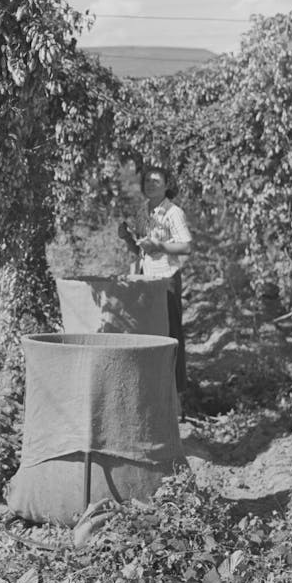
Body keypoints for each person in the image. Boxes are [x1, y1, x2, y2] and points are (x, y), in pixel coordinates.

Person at [118, 164, 192, 403]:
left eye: (156, 181)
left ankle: (175, 394)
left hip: (166, 278)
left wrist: (159, 246)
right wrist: (127, 238)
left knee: (171, 333)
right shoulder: (143, 211)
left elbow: (185, 246)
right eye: (147, 181)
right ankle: (153, 390)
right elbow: (140, 249)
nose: (150, 184)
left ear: (167, 185)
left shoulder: (173, 213)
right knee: (149, 332)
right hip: (146, 278)